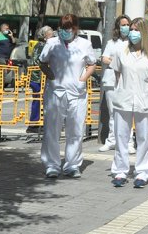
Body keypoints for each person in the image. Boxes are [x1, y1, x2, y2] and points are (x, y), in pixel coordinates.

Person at [37, 14, 97, 179]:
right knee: (52, 129)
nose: (65, 31)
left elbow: (92, 64)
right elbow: (42, 62)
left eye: (69, 28)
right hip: (55, 91)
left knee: (75, 129)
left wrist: (82, 79)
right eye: (63, 28)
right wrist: (51, 76)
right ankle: (52, 164)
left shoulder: (85, 44)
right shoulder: (52, 43)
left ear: (76, 28)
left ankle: (72, 165)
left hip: (76, 92)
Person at [106, 17, 148, 188]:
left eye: (137, 30)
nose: (133, 33)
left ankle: (142, 172)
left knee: (143, 138)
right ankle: (120, 171)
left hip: (144, 101)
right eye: (131, 29)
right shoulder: (122, 52)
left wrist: (141, 90)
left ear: (144, 32)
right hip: (123, 100)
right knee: (121, 137)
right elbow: (117, 75)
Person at [99, 16, 131, 153]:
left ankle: (128, 142)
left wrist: (117, 61)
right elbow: (104, 58)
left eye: (128, 24)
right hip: (111, 79)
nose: (126, 27)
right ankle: (111, 140)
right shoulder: (112, 43)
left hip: (127, 79)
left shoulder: (132, 42)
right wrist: (117, 61)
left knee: (127, 112)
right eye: (123, 24)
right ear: (118, 27)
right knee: (113, 112)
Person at [27, 25, 53, 134]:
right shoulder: (42, 46)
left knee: (40, 100)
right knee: (38, 100)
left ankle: (39, 123)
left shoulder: (43, 45)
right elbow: (40, 62)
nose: (52, 33)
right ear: (44, 35)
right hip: (38, 78)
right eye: (50, 32)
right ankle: (34, 124)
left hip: (40, 77)